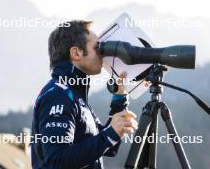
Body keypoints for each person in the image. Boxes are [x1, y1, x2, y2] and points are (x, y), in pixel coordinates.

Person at [31, 20, 138, 169]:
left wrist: (119, 99)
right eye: (97, 47)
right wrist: (108, 135)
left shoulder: (75, 95)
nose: (102, 54)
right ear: (76, 53)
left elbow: (107, 148)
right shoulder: (57, 95)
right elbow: (56, 160)